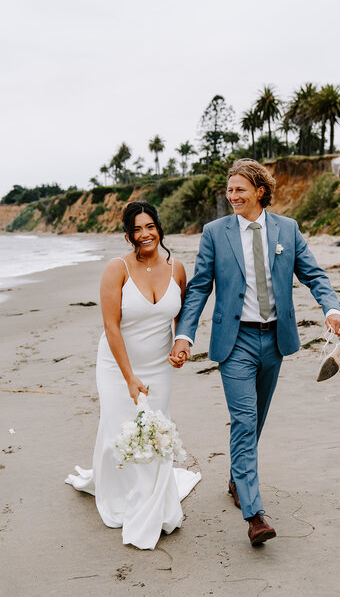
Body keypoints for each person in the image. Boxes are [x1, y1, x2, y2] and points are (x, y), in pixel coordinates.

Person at [169, 159, 340, 546]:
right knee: (245, 419)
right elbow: (199, 287)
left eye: (239, 189)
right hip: (235, 342)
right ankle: (254, 514)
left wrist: (331, 309)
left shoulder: (287, 229)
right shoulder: (216, 232)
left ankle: (237, 477)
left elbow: (313, 274)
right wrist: (185, 334)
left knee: (257, 418)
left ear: (260, 191)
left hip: (276, 339)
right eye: (229, 190)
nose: (232, 196)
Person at [65, 201, 200, 550]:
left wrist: (181, 346)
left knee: (157, 431)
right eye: (137, 229)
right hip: (116, 366)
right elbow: (111, 325)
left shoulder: (178, 269)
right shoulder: (117, 269)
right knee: (119, 430)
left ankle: (153, 498)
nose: (145, 234)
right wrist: (128, 377)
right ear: (128, 235)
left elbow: (181, 317)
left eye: (150, 226)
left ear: (159, 228)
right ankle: (123, 494)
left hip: (159, 366)